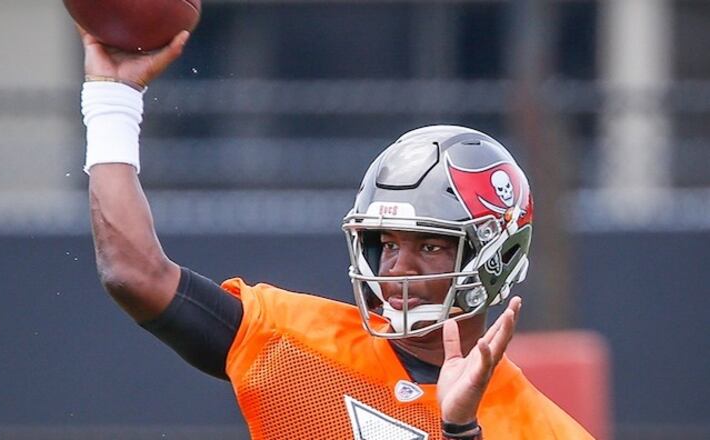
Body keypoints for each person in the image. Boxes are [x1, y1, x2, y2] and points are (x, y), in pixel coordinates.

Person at [78, 27, 593, 439]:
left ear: (496, 259)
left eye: (431, 245)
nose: (396, 267)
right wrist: (113, 103)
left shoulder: (542, 430)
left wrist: (458, 431)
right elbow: (134, 273)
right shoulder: (298, 345)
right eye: (388, 243)